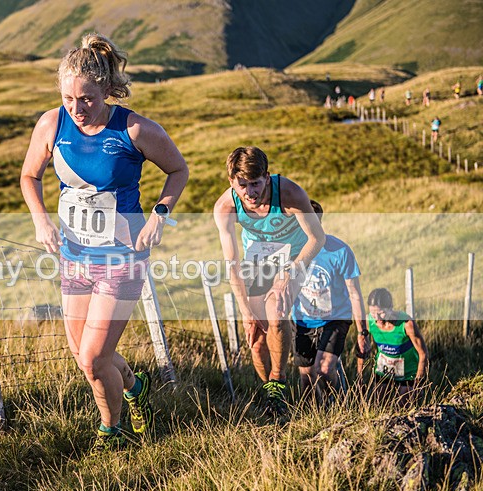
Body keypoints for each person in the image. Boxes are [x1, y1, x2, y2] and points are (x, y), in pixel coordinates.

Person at [20, 33, 188, 452]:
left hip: (122, 258)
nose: (77, 109)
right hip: (74, 257)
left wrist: (159, 216)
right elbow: (29, 176)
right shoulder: (52, 124)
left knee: (94, 358)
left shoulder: (134, 129)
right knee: (84, 356)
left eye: (87, 99)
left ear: (107, 89)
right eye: (68, 98)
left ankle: (111, 430)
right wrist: (41, 220)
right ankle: (136, 387)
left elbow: (178, 170)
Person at [213, 147, 325, 419]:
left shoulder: (289, 193)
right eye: (242, 186)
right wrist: (245, 312)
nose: (250, 193)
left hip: (294, 254)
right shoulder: (225, 208)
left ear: (267, 177)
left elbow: (317, 239)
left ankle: (278, 378)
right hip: (258, 260)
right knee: (256, 334)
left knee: (275, 313)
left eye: (255, 184)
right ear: (231, 182)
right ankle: (271, 393)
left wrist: (289, 274)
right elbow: (232, 264)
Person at [292, 201, 369, 406]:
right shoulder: (291, 251)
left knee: (324, 369)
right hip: (302, 320)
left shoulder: (340, 250)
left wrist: (362, 332)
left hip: (335, 318)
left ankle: (338, 405)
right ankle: (313, 415)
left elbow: (354, 293)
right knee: (307, 378)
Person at [364, 288, 429, 405]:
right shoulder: (369, 321)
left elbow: (423, 353)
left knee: (402, 407)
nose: (377, 318)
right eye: (373, 313)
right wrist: (359, 377)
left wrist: (418, 382)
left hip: (408, 374)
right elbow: (361, 349)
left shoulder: (406, 323)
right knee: (376, 405)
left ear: (391, 307)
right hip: (384, 372)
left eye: (381, 313)